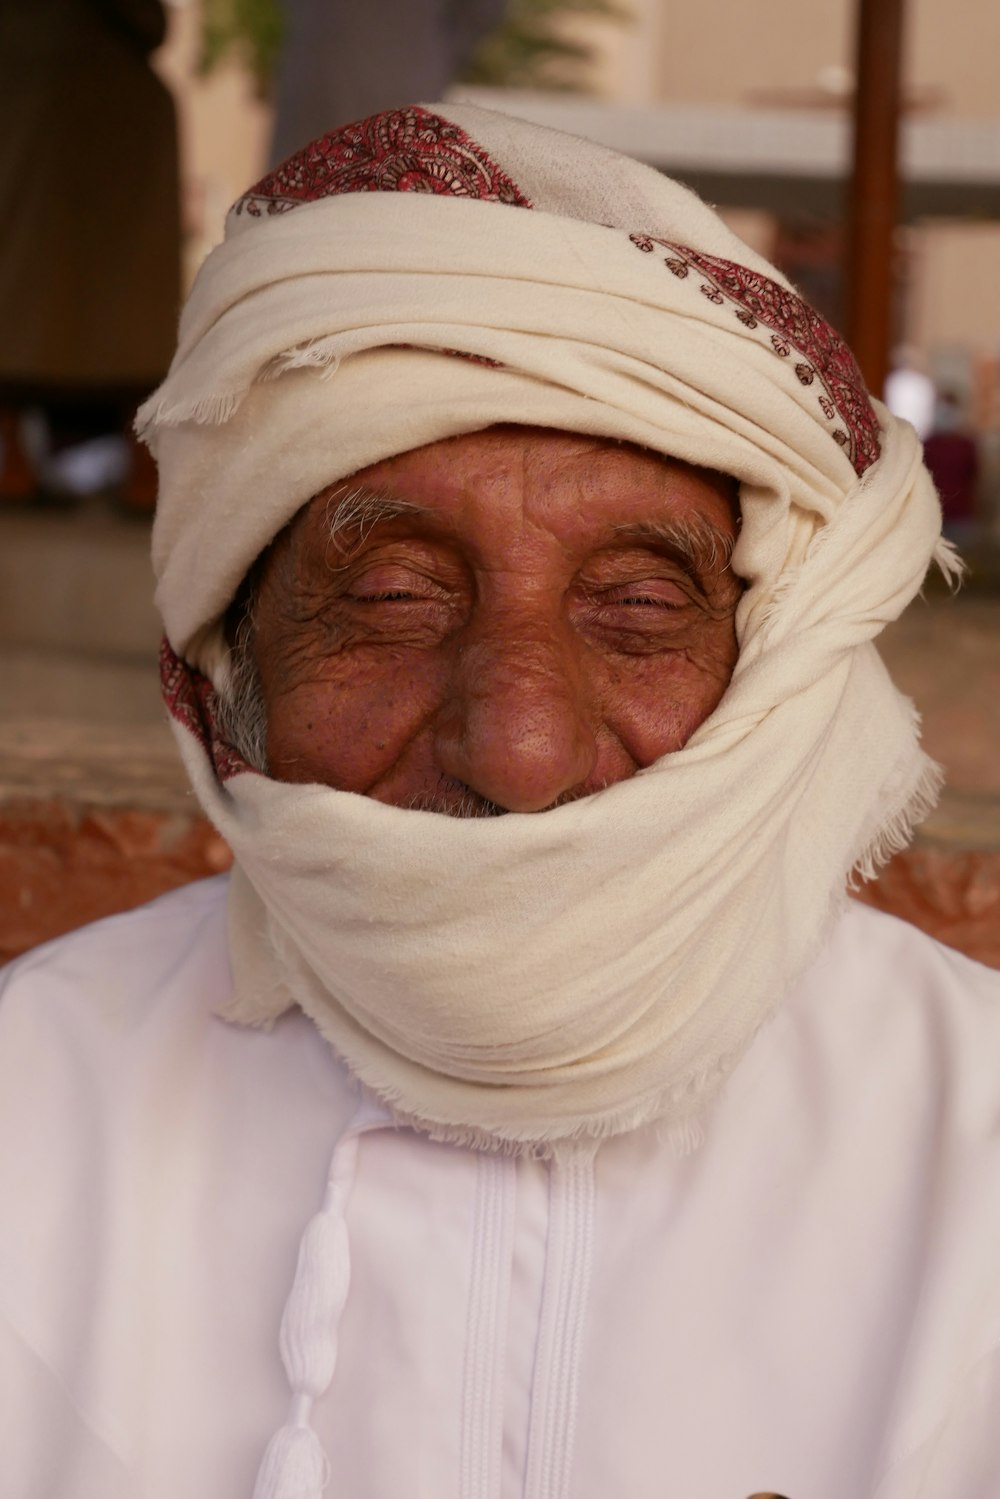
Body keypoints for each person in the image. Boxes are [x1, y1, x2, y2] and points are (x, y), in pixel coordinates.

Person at [1, 103, 999, 1499]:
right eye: (393, 600)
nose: (519, 750)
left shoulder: (975, 1148)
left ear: (775, 667)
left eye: (641, 608)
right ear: (223, 671)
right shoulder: (31, 1110)